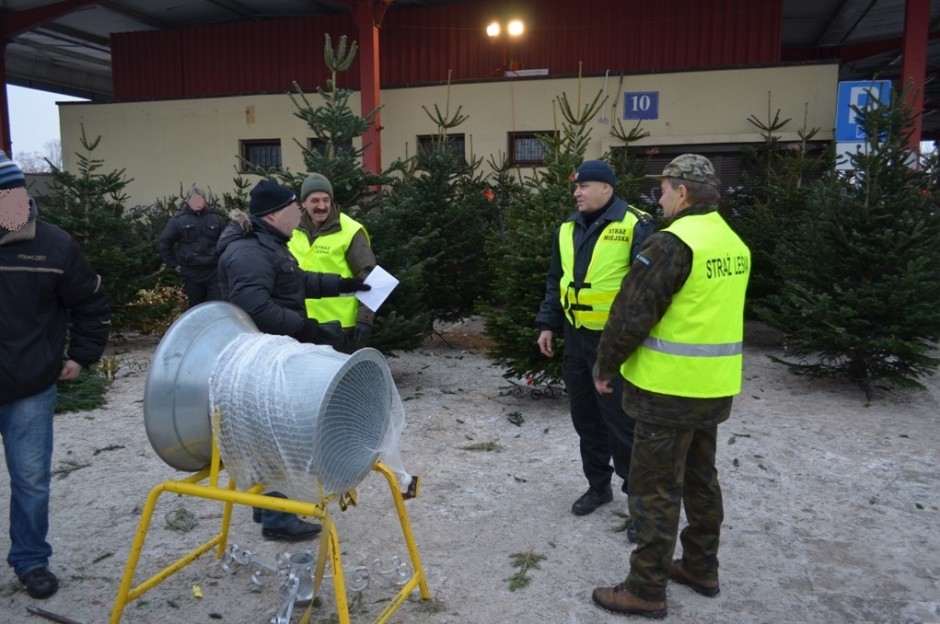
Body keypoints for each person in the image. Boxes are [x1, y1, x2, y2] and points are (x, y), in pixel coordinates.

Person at [590, 154, 750, 618]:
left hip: (666, 393)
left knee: (654, 489)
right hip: (713, 388)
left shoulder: (671, 244)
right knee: (701, 479)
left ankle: (644, 589)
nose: (658, 199)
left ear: (681, 191)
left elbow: (631, 314)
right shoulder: (731, 241)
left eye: (662, 190)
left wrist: (604, 365)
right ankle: (701, 566)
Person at [216, 178, 370, 542]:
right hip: (264, 360)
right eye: (294, 206)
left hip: (273, 354)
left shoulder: (270, 246)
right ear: (274, 213)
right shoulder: (250, 252)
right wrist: (311, 330)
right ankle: (277, 518)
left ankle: (268, 506)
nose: (300, 212)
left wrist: (345, 286)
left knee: (266, 432)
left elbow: (297, 282)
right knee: (271, 431)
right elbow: (257, 308)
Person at [0, 152, 111, 599]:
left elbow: (90, 303)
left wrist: (82, 355)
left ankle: (30, 560)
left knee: (30, 479)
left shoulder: (54, 246)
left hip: (29, 386)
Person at [535, 159, 654, 525]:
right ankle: (598, 486)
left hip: (614, 343)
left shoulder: (636, 224)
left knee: (622, 424)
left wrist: (626, 342)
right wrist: (547, 323)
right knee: (586, 419)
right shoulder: (567, 227)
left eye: (584, 186)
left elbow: (646, 291)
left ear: (607, 188)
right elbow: (557, 279)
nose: (577, 192)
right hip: (576, 339)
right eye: (576, 186)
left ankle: (640, 506)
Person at [288, 173, 375, 353]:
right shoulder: (290, 229)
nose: (322, 206)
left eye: (326, 200)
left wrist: (364, 319)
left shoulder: (350, 231)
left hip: (342, 331)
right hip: (301, 325)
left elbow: (371, 278)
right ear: (303, 203)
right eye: (315, 200)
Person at [158, 185, 227, 308]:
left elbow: (227, 242)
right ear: (188, 201)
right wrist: (174, 265)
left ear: (205, 200)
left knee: (217, 307)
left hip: (214, 272)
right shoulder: (178, 221)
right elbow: (164, 243)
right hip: (192, 273)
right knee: (196, 309)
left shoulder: (217, 219)